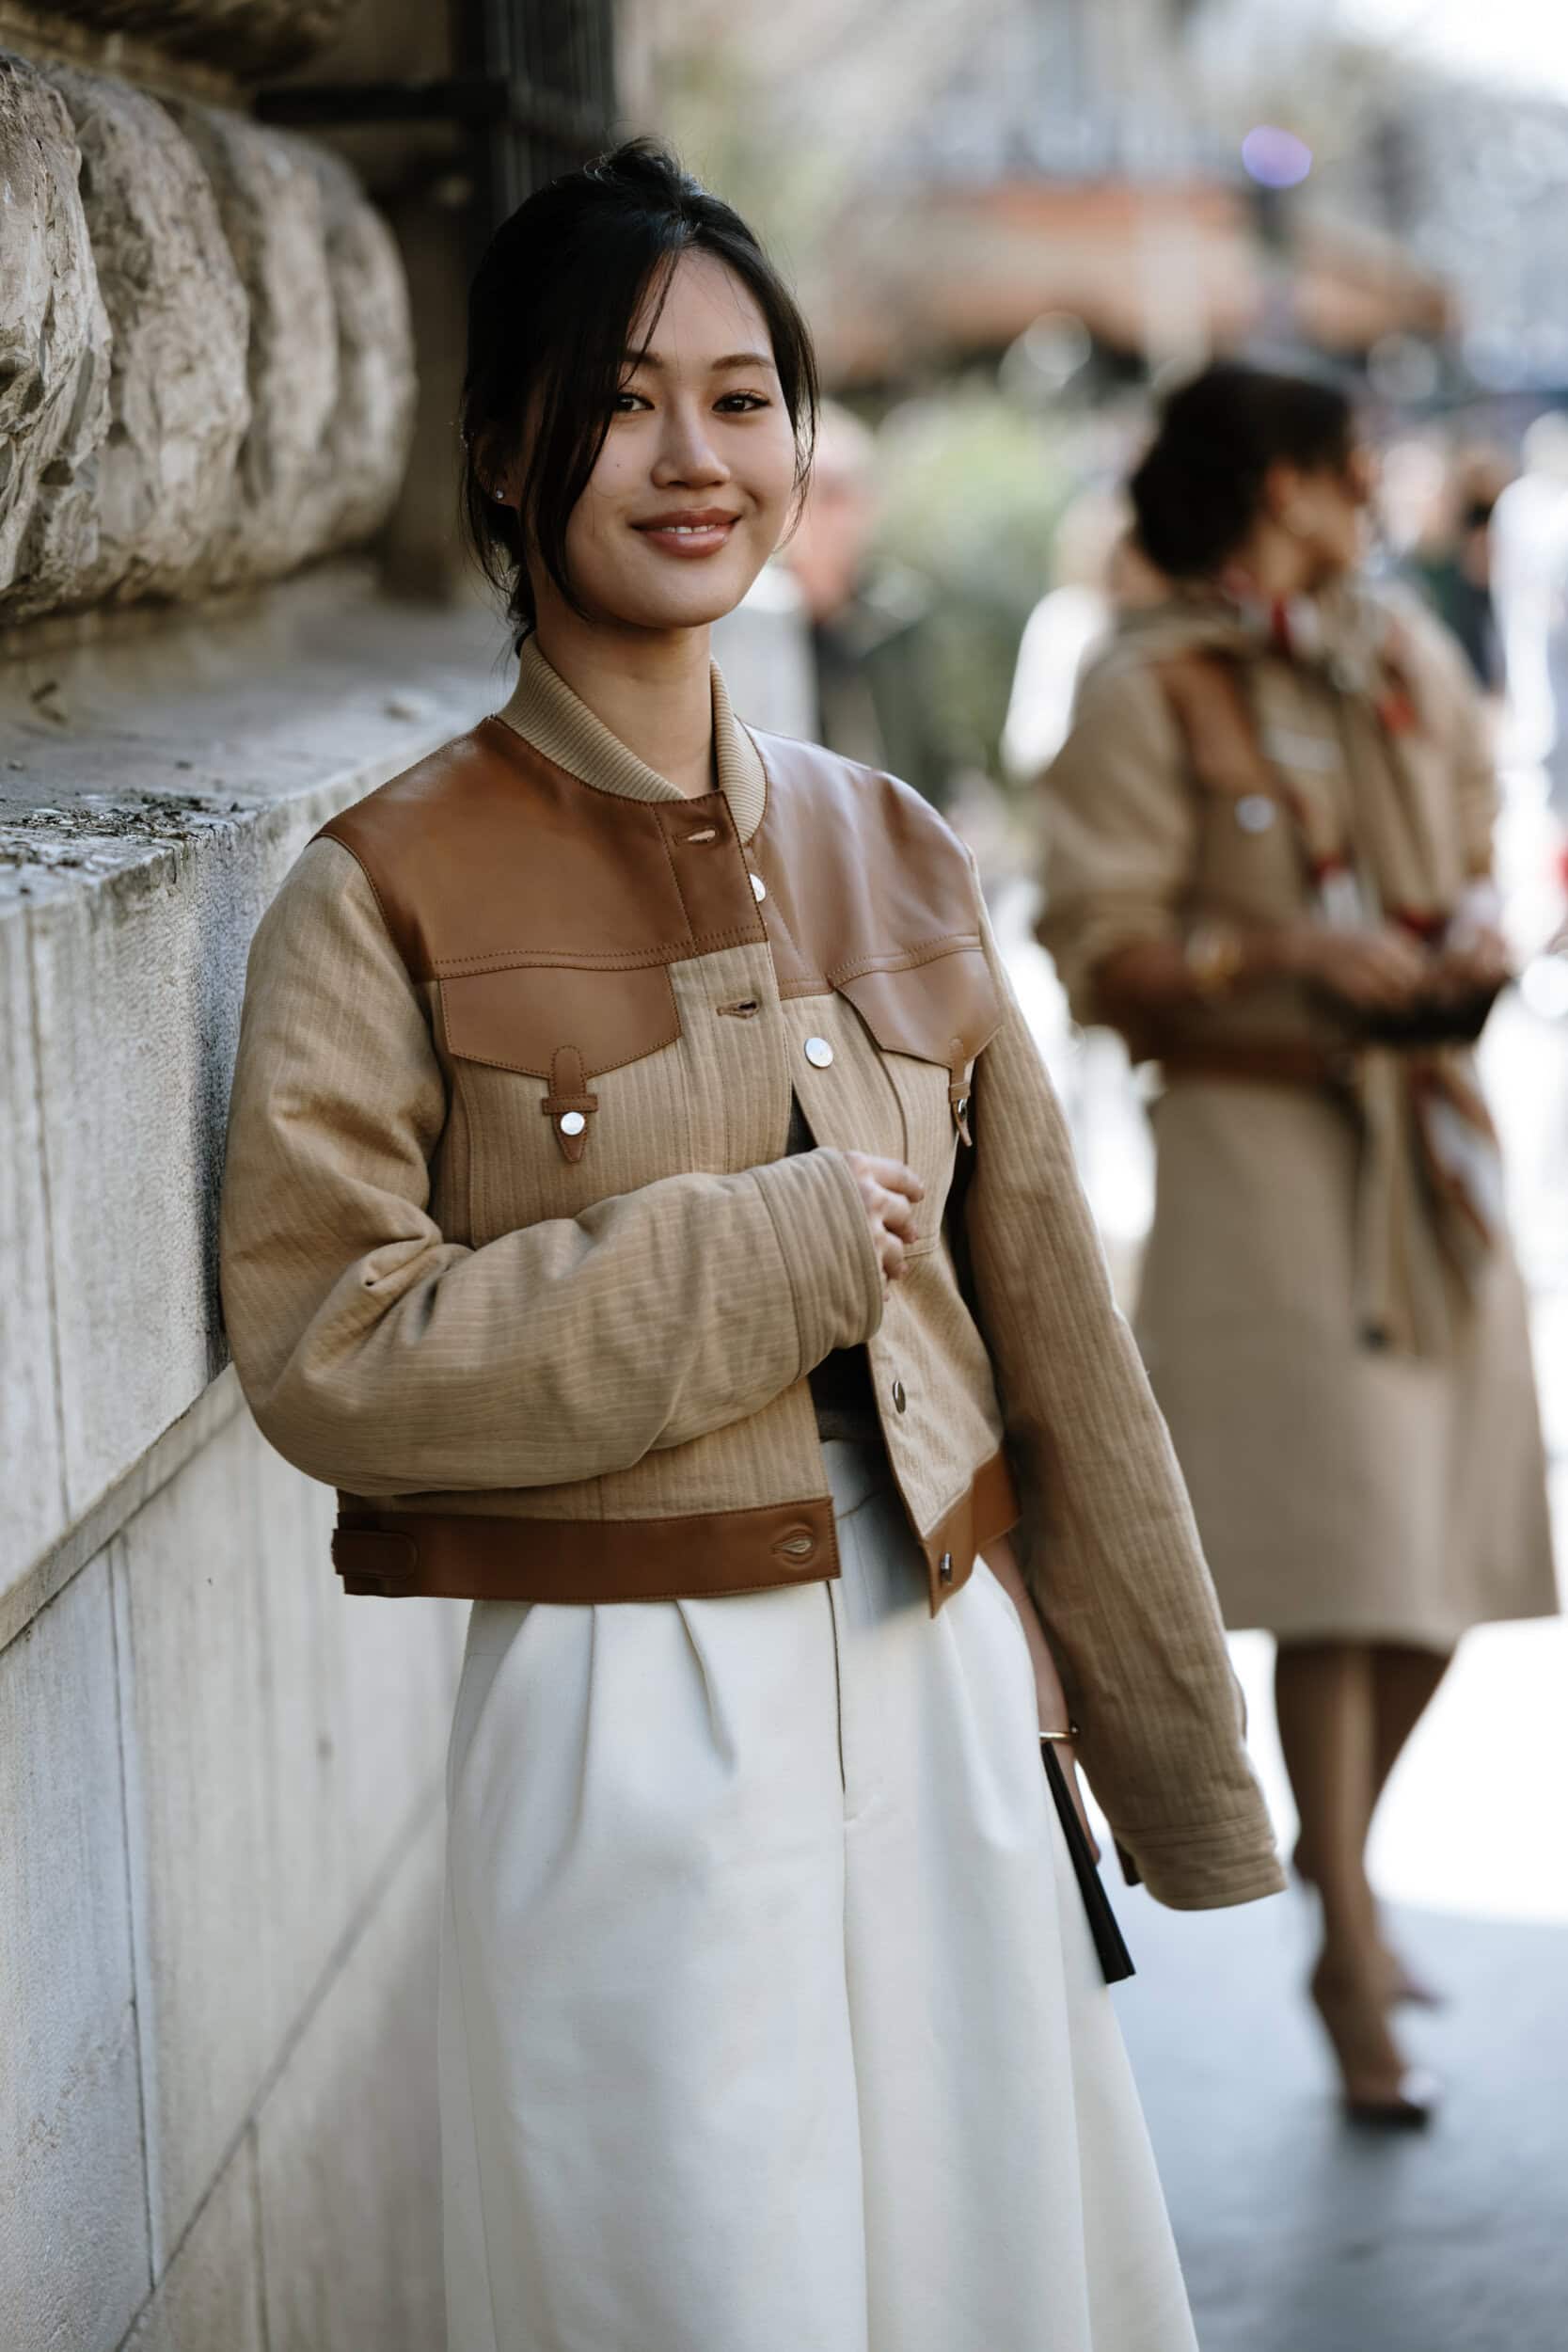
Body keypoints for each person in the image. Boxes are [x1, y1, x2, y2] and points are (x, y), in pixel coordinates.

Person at [218, 146, 1283, 2352]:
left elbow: (1057, 1334)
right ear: (510, 448)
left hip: (955, 1676)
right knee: (693, 2293)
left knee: (992, 2283)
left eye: (745, 395)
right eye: (625, 401)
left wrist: (1148, 1735)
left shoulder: (888, 843)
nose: (697, 457)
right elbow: (331, 1345)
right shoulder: (384, 887)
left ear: (804, 436)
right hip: (626, 1718)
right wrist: (763, 1248)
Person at [1037, 361, 1558, 2128]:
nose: (1377, 483)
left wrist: (1474, 924)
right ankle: (1340, 1943)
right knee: (1342, 1568)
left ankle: (1346, 1877)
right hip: (1260, 1151)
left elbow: (1478, 830)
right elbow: (1095, 946)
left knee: (1442, 1565)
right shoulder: (1145, 686)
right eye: (1348, 460)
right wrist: (1277, 964)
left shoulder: (1393, 646)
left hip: (1428, 1143)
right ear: (1278, 479)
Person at [784, 398, 959, 807]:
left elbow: (934, 745)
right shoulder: (751, 621)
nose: (836, 516)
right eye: (821, 492)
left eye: (849, 493)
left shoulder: (898, 617)